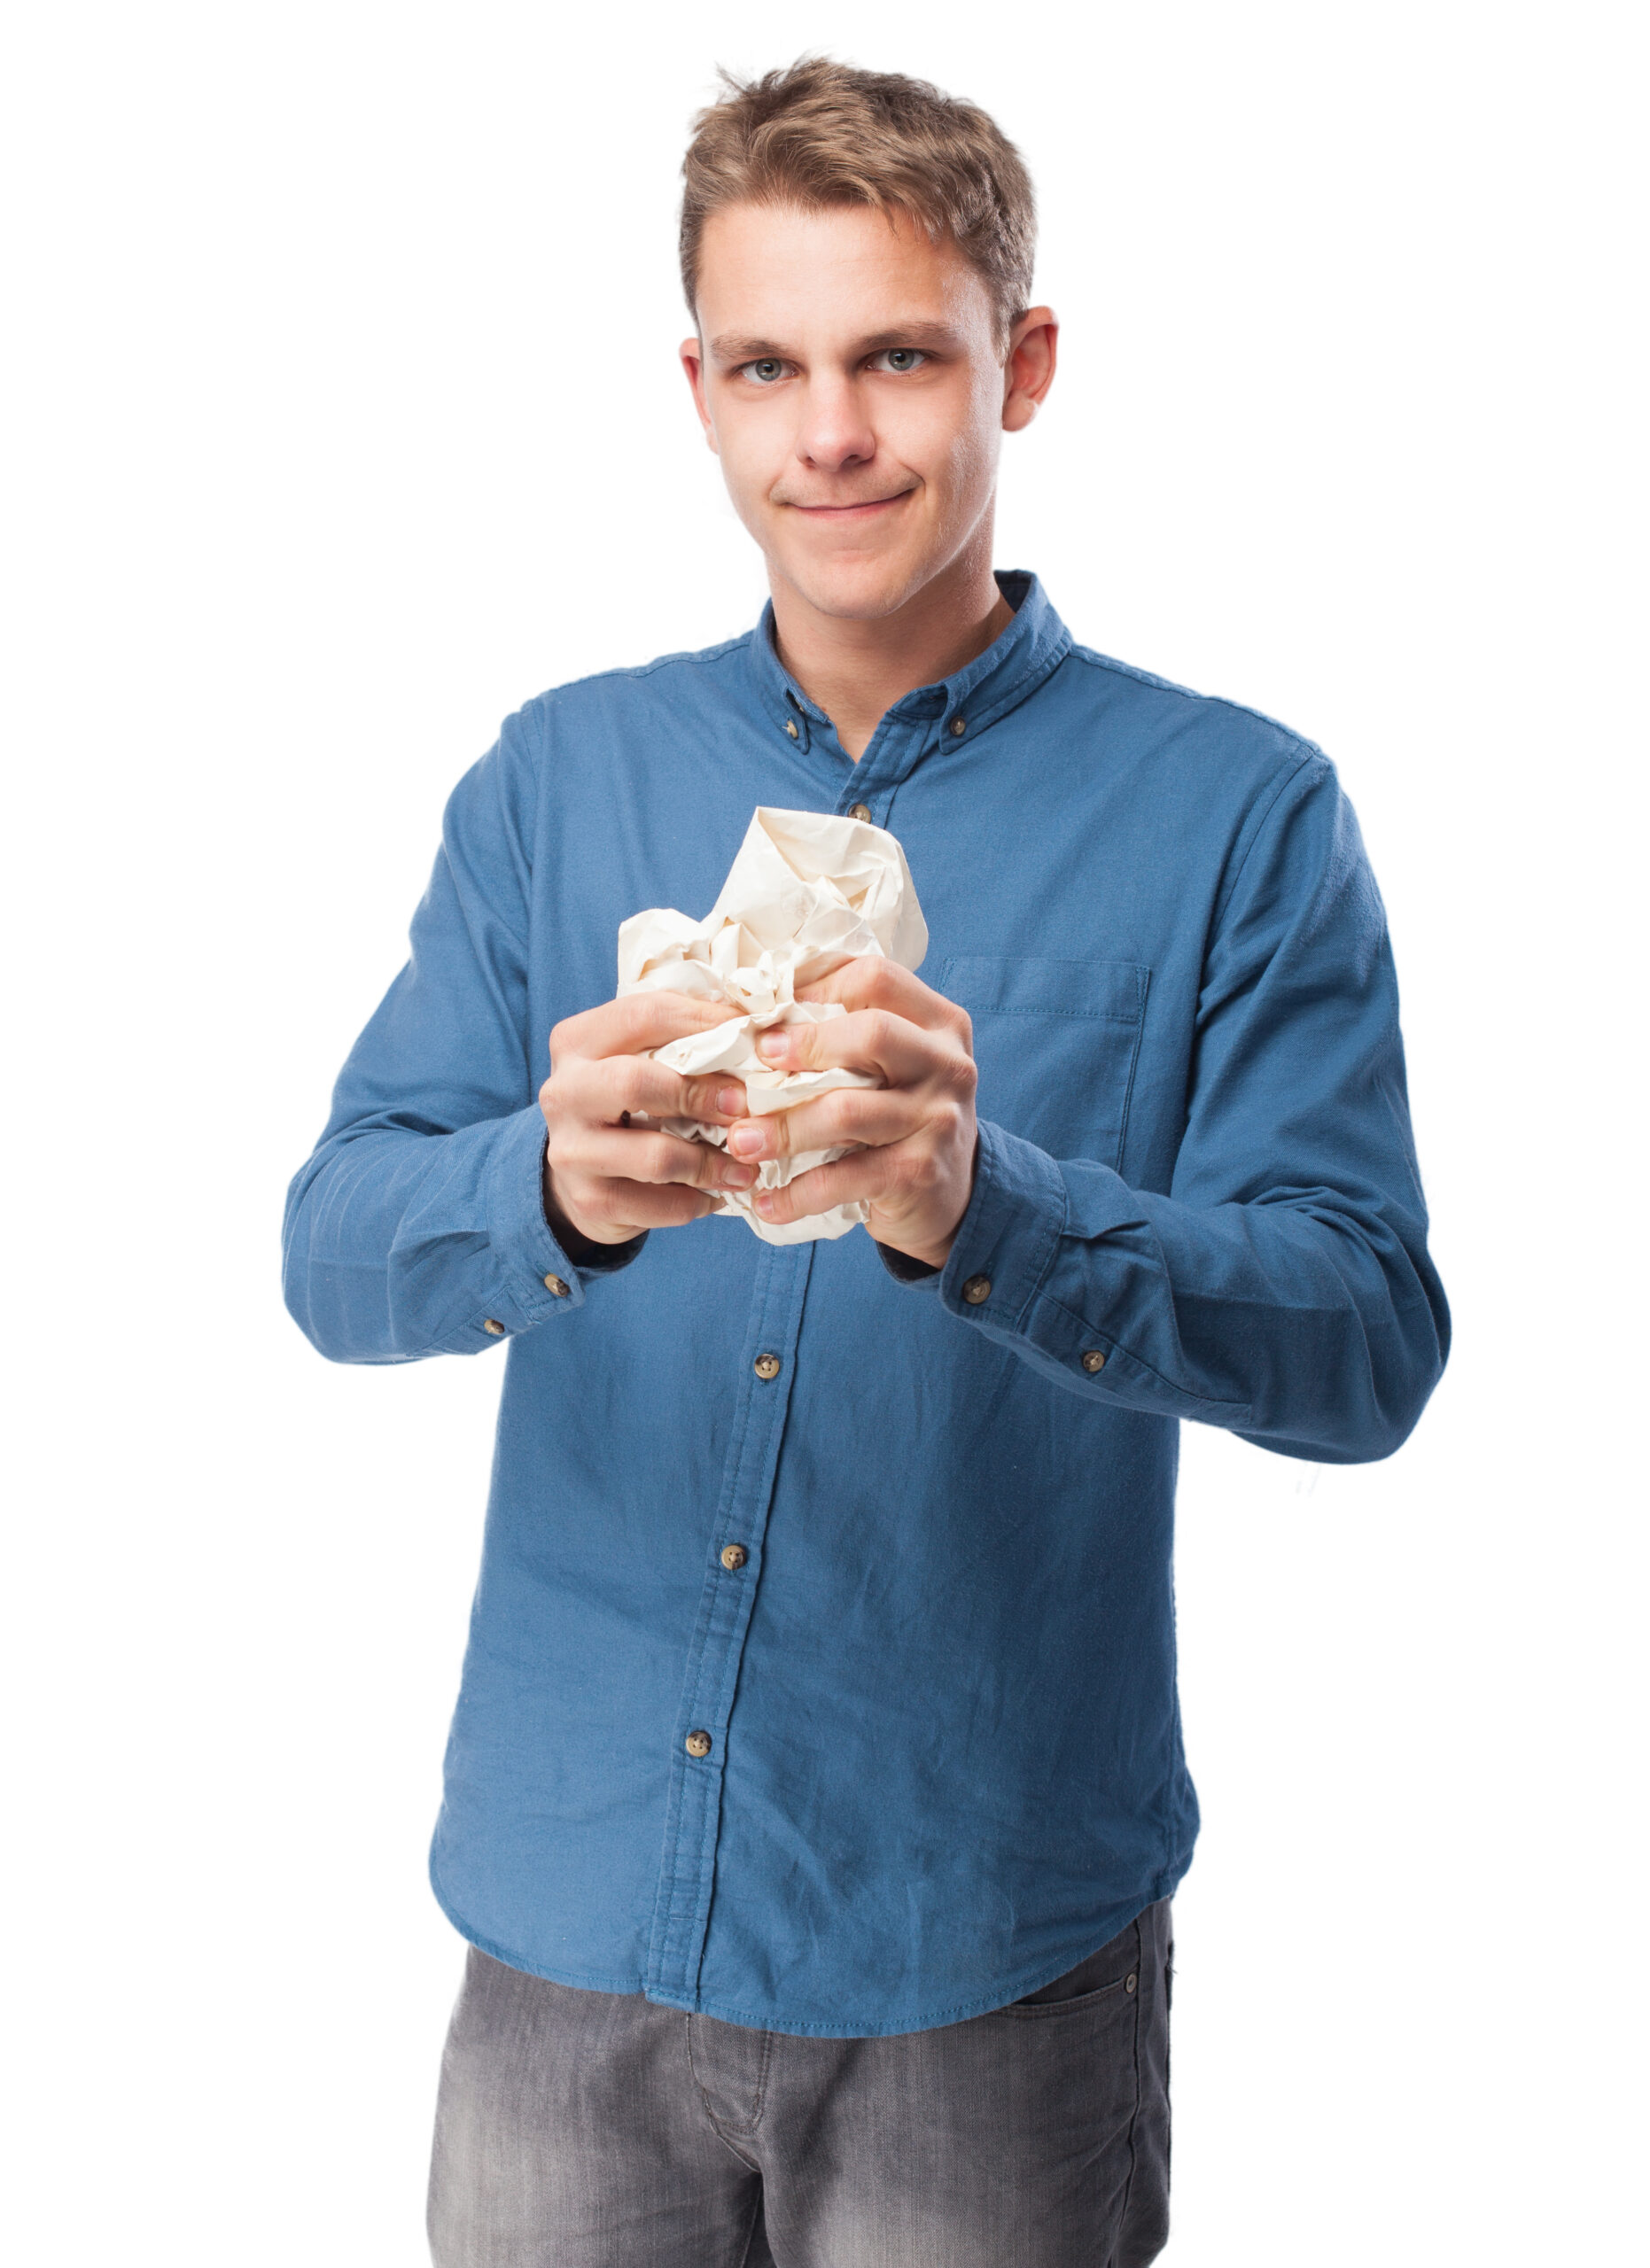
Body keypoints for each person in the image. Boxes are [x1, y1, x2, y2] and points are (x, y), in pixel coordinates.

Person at [284, 55, 1449, 2268]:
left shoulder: (1240, 815)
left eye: (897, 354)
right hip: (565, 1925)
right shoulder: (557, 775)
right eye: (769, 365)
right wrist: (536, 1190)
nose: (829, 433)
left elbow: (1367, 1337)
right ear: (698, 388)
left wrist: (983, 1208)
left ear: (1017, 364)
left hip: (981, 1950)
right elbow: (333, 1249)